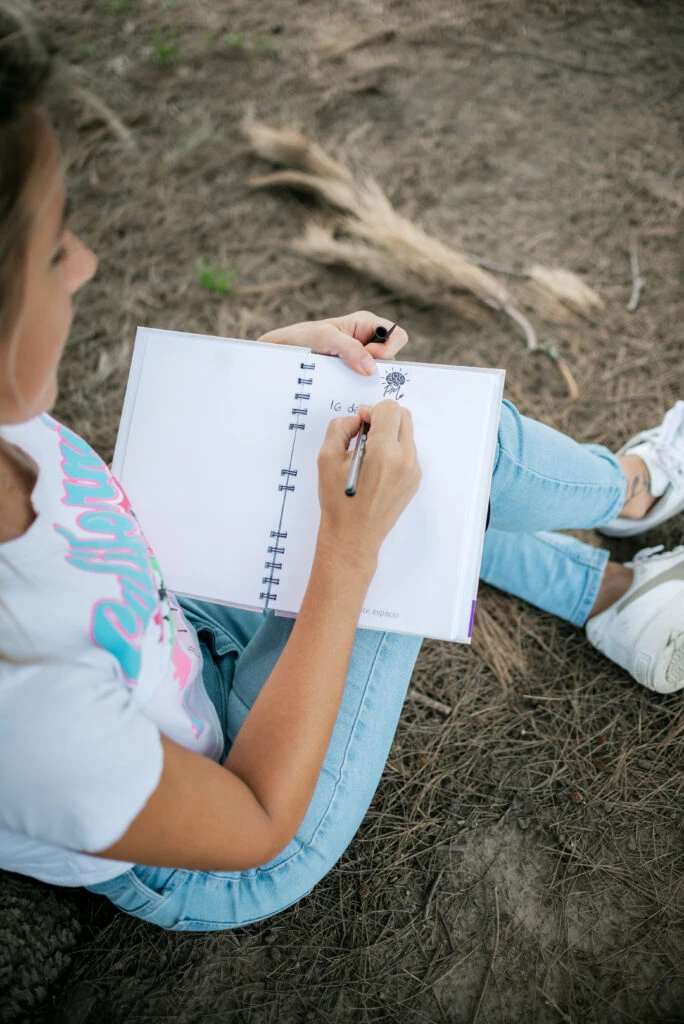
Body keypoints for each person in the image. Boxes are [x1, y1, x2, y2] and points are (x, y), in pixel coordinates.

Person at [0, 5, 682, 933]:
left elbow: (113, 533)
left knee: (371, 431)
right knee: (418, 454)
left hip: (180, 631)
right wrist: (346, 561)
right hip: (226, 828)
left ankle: (612, 586)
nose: (83, 264)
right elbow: (252, 818)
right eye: (51, 247)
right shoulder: (21, 711)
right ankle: (632, 495)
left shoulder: (11, 421)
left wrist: (268, 375)